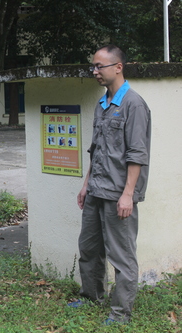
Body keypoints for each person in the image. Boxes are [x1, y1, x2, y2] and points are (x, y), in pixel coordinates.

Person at [69, 45, 151, 325]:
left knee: (122, 255)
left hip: (118, 194)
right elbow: (98, 150)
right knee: (89, 247)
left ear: (118, 67)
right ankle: (92, 296)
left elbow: (137, 154)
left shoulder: (134, 104)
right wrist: (85, 184)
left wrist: (128, 195)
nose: (95, 71)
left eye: (99, 66)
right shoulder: (102, 103)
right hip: (96, 189)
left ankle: (120, 313)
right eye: (93, 66)